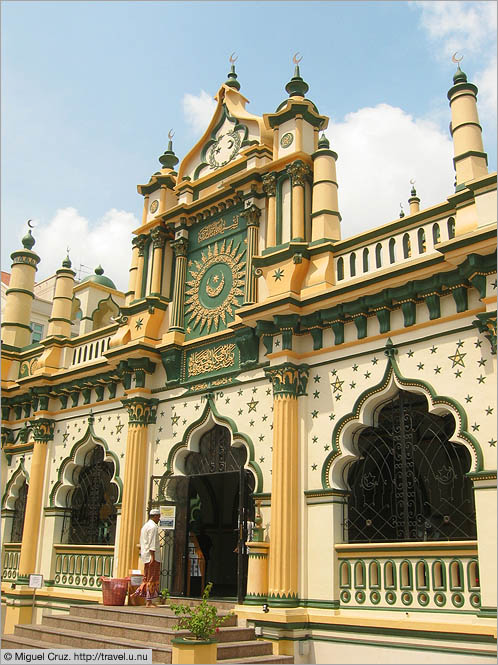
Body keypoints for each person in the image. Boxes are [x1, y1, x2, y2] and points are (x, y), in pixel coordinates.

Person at [132, 508, 161, 607]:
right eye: (158, 517)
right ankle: (148, 601)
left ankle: (136, 594)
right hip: (152, 557)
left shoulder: (145, 526)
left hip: (146, 556)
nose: (159, 519)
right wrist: (153, 557)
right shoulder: (153, 527)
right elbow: (152, 543)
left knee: (146, 578)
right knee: (151, 579)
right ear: (156, 516)